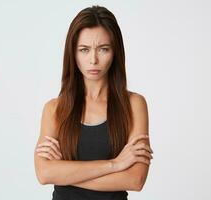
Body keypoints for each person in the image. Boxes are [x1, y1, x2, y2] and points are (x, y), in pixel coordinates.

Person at [34, 5, 154, 200]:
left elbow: (135, 180)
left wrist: (65, 173)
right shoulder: (54, 109)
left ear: (115, 52)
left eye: (103, 49)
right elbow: (44, 174)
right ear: (72, 53)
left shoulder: (134, 105)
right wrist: (114, 165)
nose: (93, 59)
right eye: (84, 49)